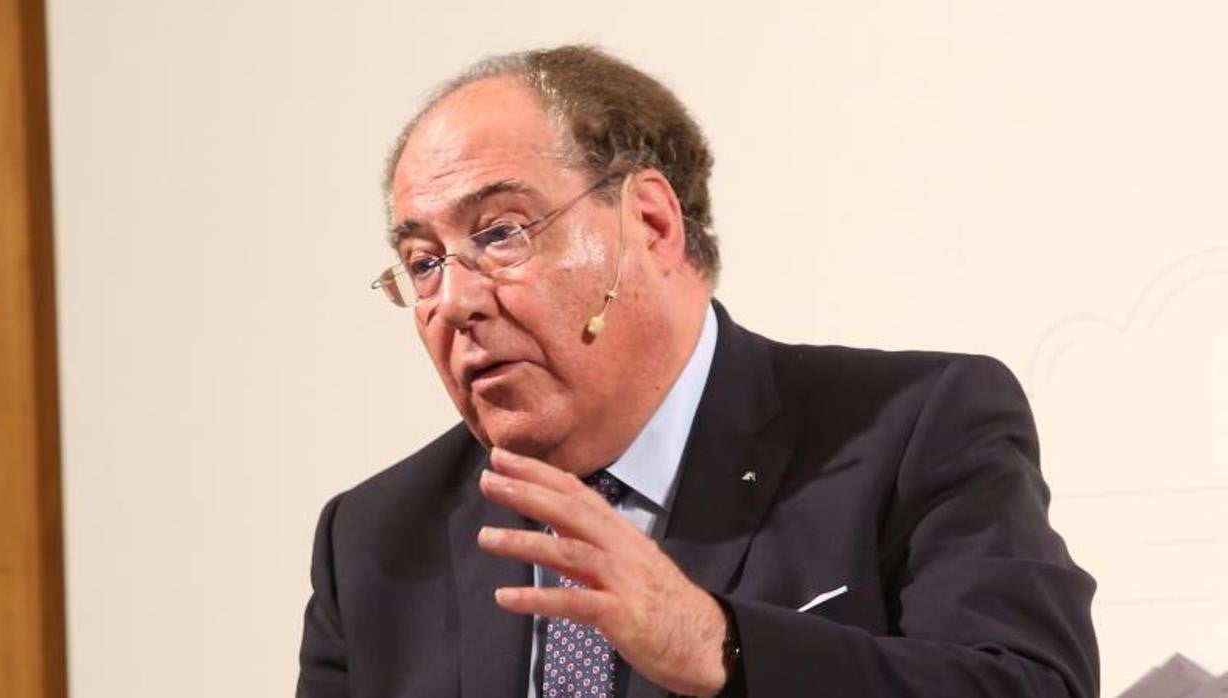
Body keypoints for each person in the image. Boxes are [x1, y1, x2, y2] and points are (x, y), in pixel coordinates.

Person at [296, 45, 1098, 698]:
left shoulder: (912, 430)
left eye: (500, 233)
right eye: (423, 262)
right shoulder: (372, 541)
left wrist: (721, 645)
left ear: (650, 223)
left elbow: (1030, 687)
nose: (454, 302)